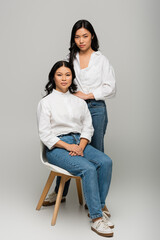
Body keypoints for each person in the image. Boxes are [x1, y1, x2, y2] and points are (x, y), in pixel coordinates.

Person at [43, 20, 116, 216]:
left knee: (97, 152)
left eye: (85, 36)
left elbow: (110, 88)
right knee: (66, 147)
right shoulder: (71, 57)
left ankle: (98, 203)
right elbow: (64, 81)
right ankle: (60, 191)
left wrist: (87, 95)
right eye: (77, 36)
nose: (81, 40)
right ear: (73, 39)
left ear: (92, 36)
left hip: (95, 108)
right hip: (74, 108)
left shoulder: (101, 60)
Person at [37, 61, 114, 237]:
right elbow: (45, 134)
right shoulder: (46, 102)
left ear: (72, 77)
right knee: (88, 168)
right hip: (57, 146)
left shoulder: (79, 101)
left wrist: (80, 146)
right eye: (59, 74)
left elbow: (88, 127)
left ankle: (99, 207)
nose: (64, 78)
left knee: (106, 161)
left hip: (79, 142)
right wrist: (68, 146)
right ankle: (96, 220)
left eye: (68, 74)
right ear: (53, 77)